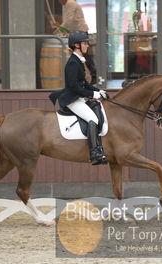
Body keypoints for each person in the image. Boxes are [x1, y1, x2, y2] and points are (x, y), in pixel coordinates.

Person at [49, 31, 108, 165]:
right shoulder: (73, 63)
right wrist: (93, 95)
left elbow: (84, 84)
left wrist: (99, 91)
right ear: (76, 45)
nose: (87, 45)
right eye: (84, 43)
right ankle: (94, 152)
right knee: (92, 118)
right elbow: (74, 87)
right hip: (72, 99)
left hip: (78, 97)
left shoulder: (78, 61)